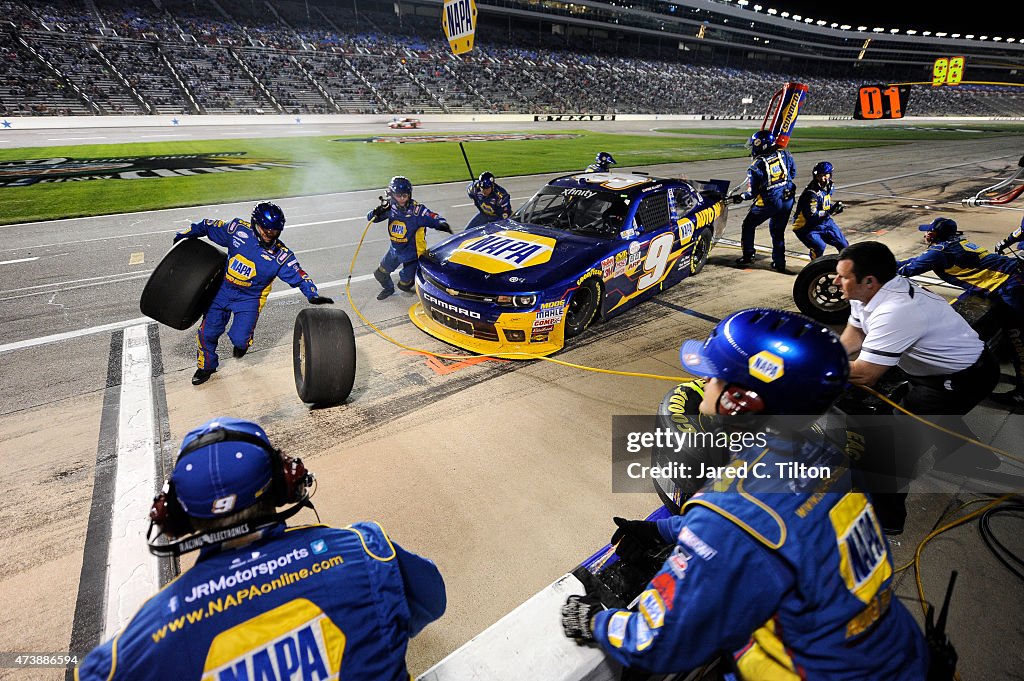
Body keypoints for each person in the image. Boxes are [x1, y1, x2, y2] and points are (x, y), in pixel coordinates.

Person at [561, 308, 929, 679]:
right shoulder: (825, 460)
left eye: (713, 375)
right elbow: (790, 535)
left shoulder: (732, 513)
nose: (703, 381)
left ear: (739, 401)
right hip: (899, 654)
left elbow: (655, 644)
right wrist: (666, 531)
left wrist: (594, 620)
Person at [76, 416, 446, 681]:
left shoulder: (151, 629)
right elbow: (431, 600)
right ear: (285, 483)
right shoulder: (365, 548)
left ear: (174, 516)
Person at [834, 241, 1000, 530]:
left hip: (964, 378)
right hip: (937, 374)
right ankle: (969, 455)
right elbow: (857, 330)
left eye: (843, 276)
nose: (836, 281)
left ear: (869, 281)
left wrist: (813, 367)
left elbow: (865, 374)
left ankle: (886, 521)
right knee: (924, 411)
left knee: (889, 448)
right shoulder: (867, 293)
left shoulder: (897, 309)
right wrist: (829, 354)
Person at [173, 202, 333, 386]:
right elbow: (207, 226)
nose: (268, 234)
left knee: (239, 339)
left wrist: (312, 294)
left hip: (250, 299)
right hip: (222, 291)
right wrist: (184, 235)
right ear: (254, 222)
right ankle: (206, 366)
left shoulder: (281, 256)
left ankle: (243, 345)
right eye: (265, 229)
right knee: (207, 332)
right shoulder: (237, 229)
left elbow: (300, 275)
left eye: (274, 231)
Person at [897, 217, 1024, 407]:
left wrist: (878, 263)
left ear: (933, 234)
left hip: (1013, 286)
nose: (925, 234)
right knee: (1017, 338)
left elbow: (908, 269)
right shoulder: (957, 242)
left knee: (1020, 339)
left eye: (927, 231)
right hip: (1014, 277)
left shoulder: (939, 252)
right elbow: (916, 260)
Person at [368, 176, 451, 301]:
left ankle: (413, 278)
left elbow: (433, 216)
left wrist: (441, 224)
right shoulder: (389, 208)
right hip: (394, 250)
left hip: (411, 253)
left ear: (410, 194)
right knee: (380, 274)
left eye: (405, 195)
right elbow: (370, 219)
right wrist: (377, 211)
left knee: (404, 285)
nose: (402, 199)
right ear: (391, 194)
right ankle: (389, 288)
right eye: (398, 195)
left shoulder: (417, 211)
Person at [731, 130, 797, 273]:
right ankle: (779, 263)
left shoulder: (756, 166)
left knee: (748, 225)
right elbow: (793, 174)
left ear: (761, 145)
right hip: (788, 198)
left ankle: (748, 256)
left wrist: (740, 197)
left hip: (771, 201)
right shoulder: (785, 154)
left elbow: (751, 193)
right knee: (777, 232)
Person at [792, 160, 849, 259]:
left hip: (825, 221)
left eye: (825, 175)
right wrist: (830, 211)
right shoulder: (811, 194)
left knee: (844, 245)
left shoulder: (830, 186)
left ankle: (844, 268)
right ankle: (815, 268)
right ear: (815, 176)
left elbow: (823, 204)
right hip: (806, 226)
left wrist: (834, 207)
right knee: (819, 246)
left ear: (830, 175)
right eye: (820, 176)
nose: (823, 178)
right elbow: (811, 215)